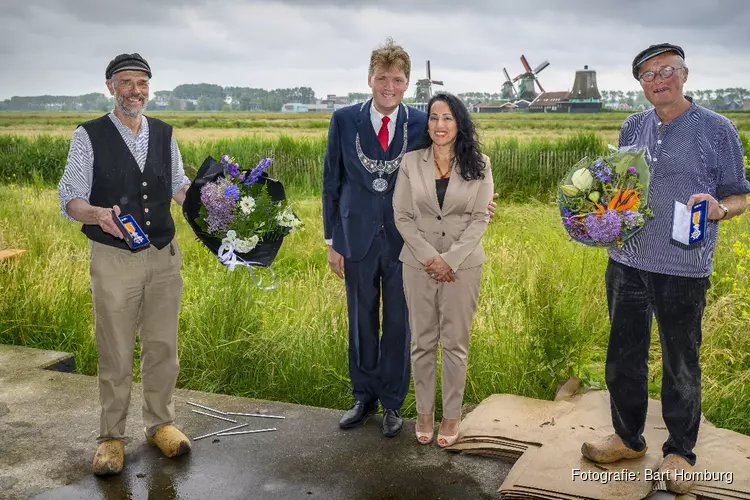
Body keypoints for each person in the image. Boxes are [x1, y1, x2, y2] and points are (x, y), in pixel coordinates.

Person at [580, 43, 749, 494]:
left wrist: (720, 209)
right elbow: (622, 190)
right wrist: (599, 212)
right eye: (648, 75)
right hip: (626, 262)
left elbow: (740, 195)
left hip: (683, 267)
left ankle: (679, 452)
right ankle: (628, 438)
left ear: (685, 74)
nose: (658, 80)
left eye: (666, 70)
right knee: (623, 359)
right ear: (641, 84)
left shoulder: (718, 129)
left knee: (680, 363)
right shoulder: (631, 125)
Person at [322, 38, 497, 437]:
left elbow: (448, 169)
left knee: (401, 323)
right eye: (382, 78)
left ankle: (392, 403)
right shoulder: (344, 119)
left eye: (397, 79)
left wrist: (482, 201)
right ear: (370, 79)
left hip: (409, 243)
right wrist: (332, 240)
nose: (389, 86)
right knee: (361, 319)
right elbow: (331, 180)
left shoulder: (422, 122)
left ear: (406, 83)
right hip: (356, 238)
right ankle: (362, 396)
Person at [57, 53, 192, 476]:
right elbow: (70, 199)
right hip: (114, 259)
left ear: (149, 87)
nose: (136, 90)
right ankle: (111, 437)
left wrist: (223, 208)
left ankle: (161, 424)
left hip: (164, 255)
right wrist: (97, 214)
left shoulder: (165, 133)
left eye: (142, 83)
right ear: (111, 86)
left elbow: (179, 187)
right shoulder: (89, 135)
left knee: (163, 347)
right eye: (127, 82)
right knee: (115, 349)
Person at [393, 93, 493, 448]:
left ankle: (451, 417)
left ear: (459, 123)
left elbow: (480, 218)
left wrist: (448, 260)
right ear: (428, 124)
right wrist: (429, 257)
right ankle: (423, 414)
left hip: (463, 268)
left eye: (447, 118)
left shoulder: (479, 163)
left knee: (455, 345)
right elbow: (402, 216)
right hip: (417, 265)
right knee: (421, 343)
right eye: (434, 118)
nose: (439, 125)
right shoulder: (410, 162)